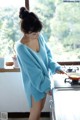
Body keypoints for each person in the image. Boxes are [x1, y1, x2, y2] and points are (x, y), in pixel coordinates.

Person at [15, 7, 64, 120]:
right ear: (25, 32)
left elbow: (48, 55)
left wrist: (55, 67)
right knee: (34, 115)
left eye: (38, 33)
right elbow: (33, 72)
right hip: (35, 84)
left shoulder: (39, 37)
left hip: (44, 80)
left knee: (39, 112)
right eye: (33, 34)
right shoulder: (21, 48)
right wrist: (47, 88)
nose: (37, 36)